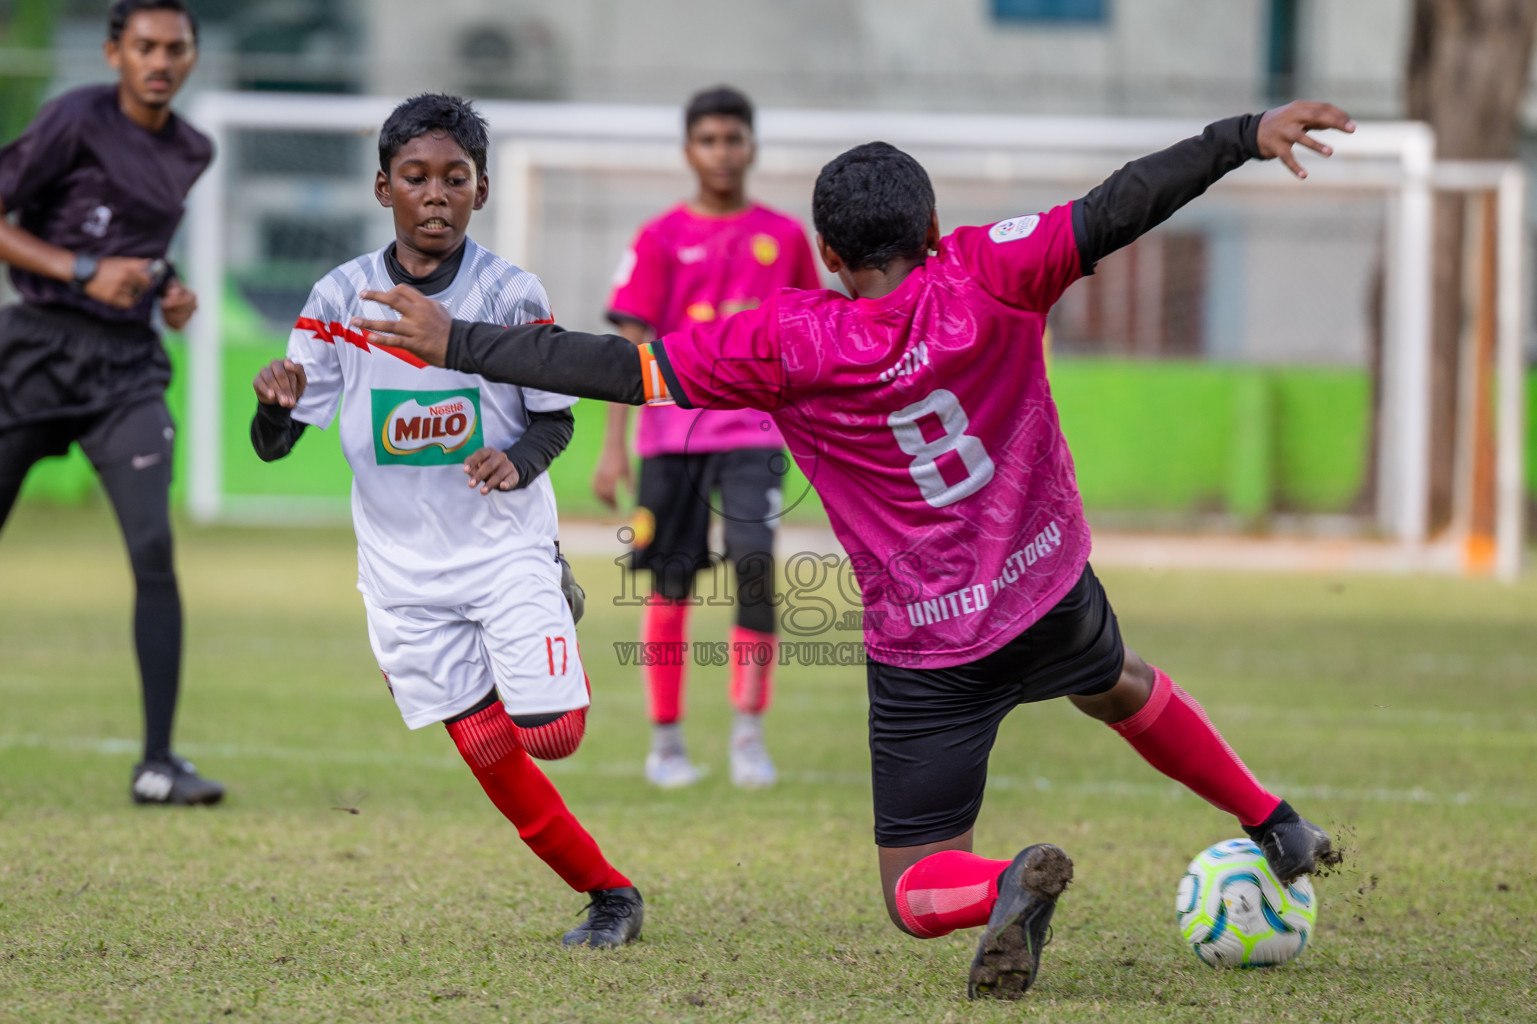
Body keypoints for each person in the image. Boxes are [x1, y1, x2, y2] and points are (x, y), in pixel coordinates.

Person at [351, 100, 1351, 995]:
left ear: (826, 253)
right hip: (1045, 586)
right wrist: (1239, 137)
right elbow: (1123, 202)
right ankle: (1271, 817)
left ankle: (1003, 882)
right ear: (928, 227)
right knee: (1118, 679)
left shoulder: (787, 340)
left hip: (927, 649)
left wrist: (460, 341)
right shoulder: (993, 268)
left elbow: (616, 363)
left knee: (913, 886)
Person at [249, 94, 641, 947]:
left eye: (454, 178)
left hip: (501, 547)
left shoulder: (510, 292)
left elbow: (554, 416)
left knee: (557, 735)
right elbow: (276, 444)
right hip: (400, 574)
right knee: (490, 753)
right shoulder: (339, 297)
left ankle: (539, 602)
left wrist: (519, 461)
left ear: (482, 189)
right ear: (383, 187)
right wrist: (275, 408)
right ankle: (610, 893)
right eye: (417, 178)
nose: (436, 195)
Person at [0, 0, 222, 805]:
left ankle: (158, 765)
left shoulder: (194, 149)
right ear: (113, 53)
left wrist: (169, 294)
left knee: (154, 550)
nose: (160, 60)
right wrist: (81, 267)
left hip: (125, 369)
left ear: (192, 55)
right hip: (32, 352)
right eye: (143, 47)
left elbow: (145, 252)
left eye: (175, 47)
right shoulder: (72, 119)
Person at [595, 86, 821, 789]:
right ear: (688, 149)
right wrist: (612, 447)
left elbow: (809, 339)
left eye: (734, 138)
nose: (722, 152)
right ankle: (666, 741)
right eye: (709, 139)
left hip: (753, 431)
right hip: (672, 438)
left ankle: (748, 734)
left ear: (751, 146)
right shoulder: (659, 238)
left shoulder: (783, 238)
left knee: (756, 566)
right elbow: (629, 349)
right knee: (670, 584)